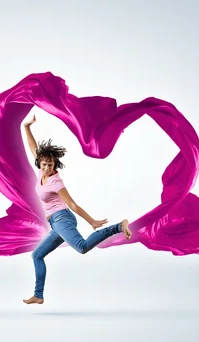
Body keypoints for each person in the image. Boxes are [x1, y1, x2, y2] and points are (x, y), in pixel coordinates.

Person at [21, 114, 132, 305]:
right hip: (55, 224)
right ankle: (38, 295)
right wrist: (27, 127)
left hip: (63, 218)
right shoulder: (41, 170)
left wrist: (92, 221)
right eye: (44, 164)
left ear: (55, 165)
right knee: (37, 255)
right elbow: (33, 149)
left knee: (82, 248)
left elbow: (72, 204)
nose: (47, 168)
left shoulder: (56, 181)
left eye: (50, 165)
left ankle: (118, 226)